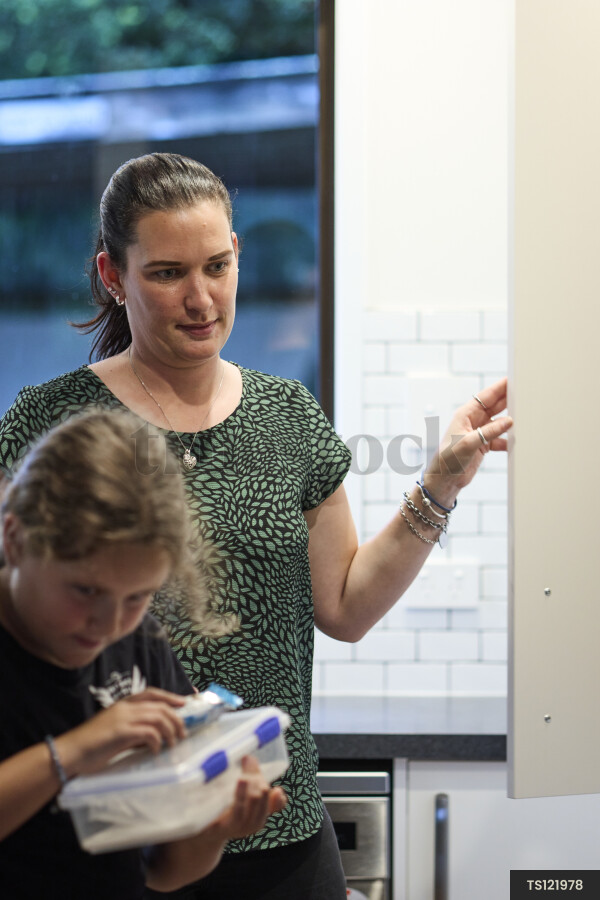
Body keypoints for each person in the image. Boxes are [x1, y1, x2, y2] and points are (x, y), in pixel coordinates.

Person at [0, 152, 513, 900]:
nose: (201, 298)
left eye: (216, 265)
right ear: (113, 276)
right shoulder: (51, 423)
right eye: (168, 273)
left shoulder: (287, 414)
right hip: (113, 839)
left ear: (238, 254)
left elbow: (345, 607)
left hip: (276, 821)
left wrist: (440, 483)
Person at [0, 409, 286, 900]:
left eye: (137, 597)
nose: (110, 626)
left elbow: (162, 871)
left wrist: (213, 827)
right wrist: (76, 750)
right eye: (85, 590)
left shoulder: (138, 643)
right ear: (16, 539)